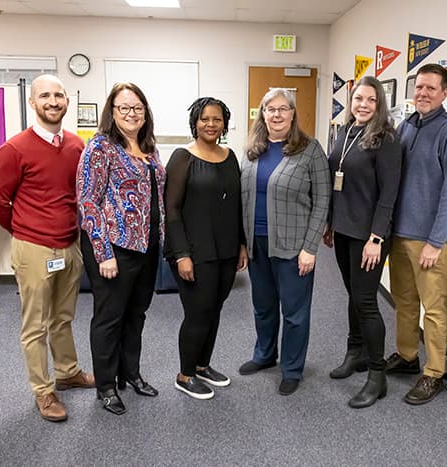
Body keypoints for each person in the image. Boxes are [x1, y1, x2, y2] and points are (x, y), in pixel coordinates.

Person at [0, 74, 94, 423]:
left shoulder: (77, 145)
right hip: (33, 248)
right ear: (32, 103)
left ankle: (67, 372)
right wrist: (26, 231)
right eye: (45, 96)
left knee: (63, 318)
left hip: (69, 245)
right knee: (35, 325)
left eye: (59, 95)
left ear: (67, 101)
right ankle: (43, 391)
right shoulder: (14, 149)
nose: (53, 101)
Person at [77, 83, 165, 415]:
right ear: (112, 113)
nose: (131, 114)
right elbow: (88, 202)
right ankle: (105, 386)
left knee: (136, 315)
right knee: (109, 318)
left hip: (147, 245)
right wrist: (103, 253)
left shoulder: (148, 147)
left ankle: (131, 374)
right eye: (124, 108)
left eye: (137, 108)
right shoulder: (100, 147)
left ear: (145, 112)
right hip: (114, 246)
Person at [238, 88, 331, 396]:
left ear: (293, 114)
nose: (276, 115)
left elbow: (322, 201)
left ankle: (292, 368)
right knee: (263, 306)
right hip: (257, 244)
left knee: (294, 312)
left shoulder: (310, 150)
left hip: (293, 247)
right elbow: (243, 197)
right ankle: (265, 355)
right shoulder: (253, 150)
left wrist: (310, 248)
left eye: (282, 109)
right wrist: (242, 242)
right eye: (270, 109)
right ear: (262, 114)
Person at [387, 63, 447, 405]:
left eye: (430, 89)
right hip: (400, 233)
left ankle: (433, 372)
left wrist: (436, 242)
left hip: (430, 239)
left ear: (445, 93)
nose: (422, 93)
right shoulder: (407, 125)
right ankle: (408, 357)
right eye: (419, 87)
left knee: (433, 308)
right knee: (404, 301)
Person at [324, 76, 402, 408]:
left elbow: (389, 194)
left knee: (367, 301)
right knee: (354, 296)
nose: (363, 105)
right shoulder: (345, 131)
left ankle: (376, 374)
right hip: (343, 230)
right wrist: (330, 222)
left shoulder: (386, 139)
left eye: (371, 100)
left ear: (379, 103)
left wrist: (376, 237)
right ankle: (354, 352)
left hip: (368, 235)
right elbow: (335, 179)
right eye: (358, 98)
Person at [164, 97, 247, 400]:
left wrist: (241, 244)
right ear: (195, 122)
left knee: (214, 310)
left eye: (217, 119)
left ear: (224, 123)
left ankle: (202, 365)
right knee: (198, 313)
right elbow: (171, 210)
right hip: (194, 252)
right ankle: (184, 374)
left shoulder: (230, 156)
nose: (211, 125)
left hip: (225, 249)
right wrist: (182, 253)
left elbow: (236, 205)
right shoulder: (182, 157)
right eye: (204, 119)